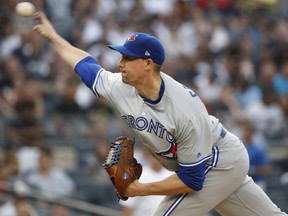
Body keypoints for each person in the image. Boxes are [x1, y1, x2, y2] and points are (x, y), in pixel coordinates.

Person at [32, 11, 287, 216]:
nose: (120, 63)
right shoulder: (120, 86)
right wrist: (53, 37)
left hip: (219, 160)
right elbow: (85, 65)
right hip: (202, 162)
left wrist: (139, 189)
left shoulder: (184, 110)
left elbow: (192, 181)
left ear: (147, 64)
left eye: (128, 58)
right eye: (121, 56)